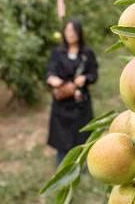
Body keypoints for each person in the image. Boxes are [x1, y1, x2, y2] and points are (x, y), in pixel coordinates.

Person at [46, 20, 99, 165]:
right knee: (62, 138)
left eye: (73, 31)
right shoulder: (57, 53)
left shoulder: (87, 53)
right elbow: (50, 71)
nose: (70, 34)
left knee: (83, 135)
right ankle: (62, 168)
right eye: (68, 31)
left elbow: (94, 74)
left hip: (80, 102)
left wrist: (85, 78)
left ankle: (85, 166)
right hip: (62, 103)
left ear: (79, 33)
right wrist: (53, 79)